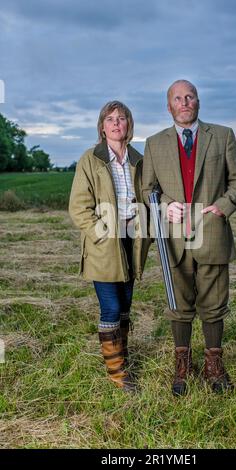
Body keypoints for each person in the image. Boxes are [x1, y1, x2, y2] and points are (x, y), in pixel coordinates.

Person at [142, 80, 236, 396]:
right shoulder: (154, 143)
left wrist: (223, 206)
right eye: (178, 98)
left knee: (214, 305)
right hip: (174, 238)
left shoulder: (223, 135)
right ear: (169, 106)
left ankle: (214, 367)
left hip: (212, 232)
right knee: (179, 307)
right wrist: (163, 205)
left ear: (198, 102)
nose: (185, 102)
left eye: (190, 96)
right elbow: (148, 190)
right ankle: (182, 366)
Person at [69, 101, 150, 393]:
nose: (117, 123)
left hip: (132, 241)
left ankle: (122, 358)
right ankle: (117, 374)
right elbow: (78, 207)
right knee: (111, 306)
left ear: (129, 124)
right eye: (110, 118)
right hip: (104, 244)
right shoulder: (90, 159)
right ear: (102, 126)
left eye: (122, 118)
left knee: (126, 305)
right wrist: (101, 232)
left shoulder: (139, 159)